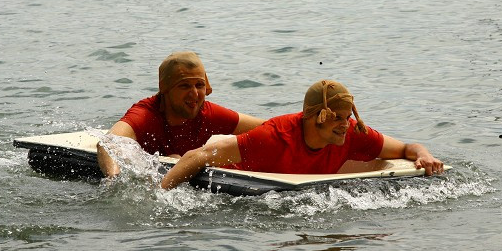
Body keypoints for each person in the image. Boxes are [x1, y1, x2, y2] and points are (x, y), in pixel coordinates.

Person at [161, 79, 444, 190]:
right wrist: (160, 195)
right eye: (336, 118)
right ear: (315, 117)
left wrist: (425, 155)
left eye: (348, 117)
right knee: (185, 155)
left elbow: (408, 147)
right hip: (232, 169)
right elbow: (198, 156)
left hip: (299, 174)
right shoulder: (274, 136)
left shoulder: (353, 133)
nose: (345, 125)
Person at [97, 51, 265, 177]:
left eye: (199, 85)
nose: (194, 94)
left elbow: (268, 129)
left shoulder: (208, 113)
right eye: (184, 86)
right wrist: (114, 180)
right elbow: (108, 143)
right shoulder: (145, 115)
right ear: (166, 89)